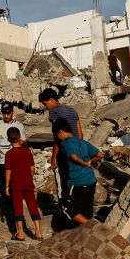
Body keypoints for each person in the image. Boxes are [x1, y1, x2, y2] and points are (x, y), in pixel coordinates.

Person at [40, 88, 82, 220]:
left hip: (63, 152)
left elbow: (57, 137)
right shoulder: (72, 111)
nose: (45, 107)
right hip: (76, 150)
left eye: (45, 104)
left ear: (52, 100)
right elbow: (80, 134)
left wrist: (54, 158)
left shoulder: (54, 112)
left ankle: (64, 213)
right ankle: (76, 212)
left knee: (62, 184)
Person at [53, 119, 101, 224]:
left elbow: (73, 157)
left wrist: (85, 163)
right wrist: (90, 161)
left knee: (66, 208)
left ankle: (90, 225)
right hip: (91, 181)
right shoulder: (82, 142)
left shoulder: (66, 143)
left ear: (61, 132)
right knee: (86, 211)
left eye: (57, 135)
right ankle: (87, 229)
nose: (57, 138)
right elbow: (100, 155)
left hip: (78, 182)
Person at [4, 127, 42, 240]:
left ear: (8, 139)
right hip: (28, 183)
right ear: (19, 137)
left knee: (18, 207)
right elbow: (32, 168)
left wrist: (7, 186)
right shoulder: (27, 151)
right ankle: (38, 232)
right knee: (33, 206)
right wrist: (30, 177)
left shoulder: (9, 154)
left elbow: (8, 171)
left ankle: (20, 233)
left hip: (16, 184)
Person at [0, 103, 25, 226]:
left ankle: (16, 211)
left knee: (12, 185)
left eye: (8, 113)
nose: (6, 116)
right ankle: (11, 207)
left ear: (12, 112)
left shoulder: (18, 126)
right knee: (1, 186)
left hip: (12, 162)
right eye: (4, 113)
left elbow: (23, 143)